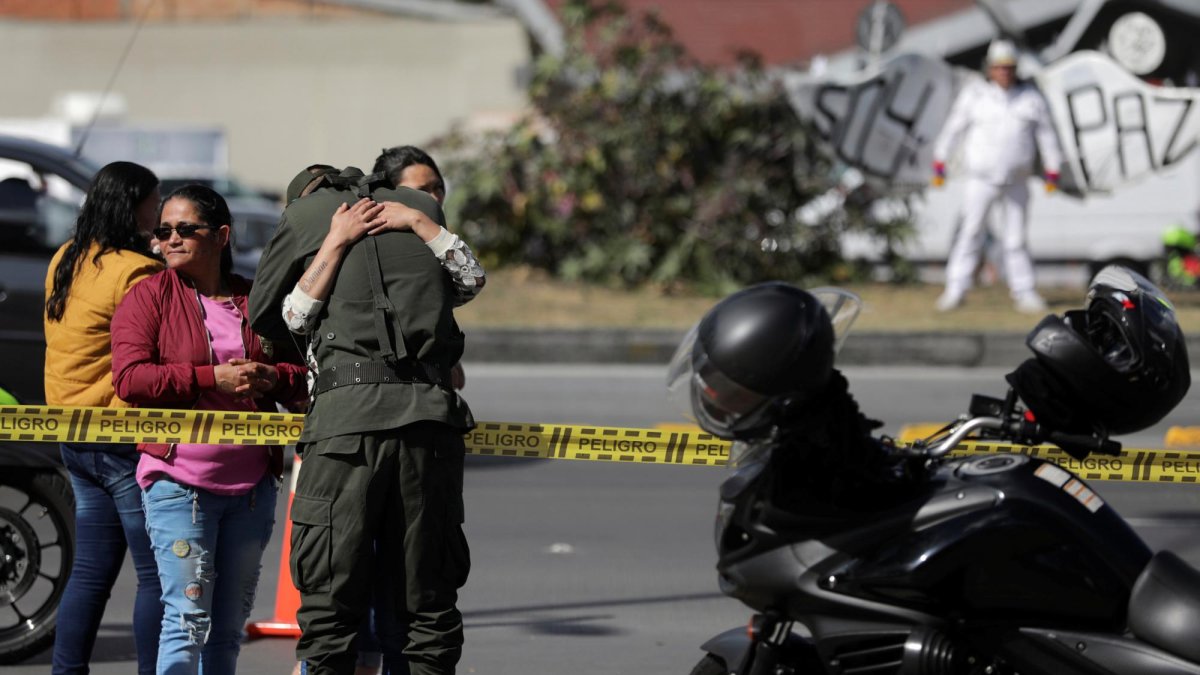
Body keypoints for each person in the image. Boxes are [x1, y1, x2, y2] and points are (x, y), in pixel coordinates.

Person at [249, 147, 484, 675]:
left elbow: (275, 317)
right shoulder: (419, 213)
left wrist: (331, 248)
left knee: (330, 607)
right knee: (430, 601)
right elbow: (469, 282)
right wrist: (422, 221)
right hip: (428, 424)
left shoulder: (305, 220)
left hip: (344, 428)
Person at [110, 184, 308, 674]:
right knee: (186, 619)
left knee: (227, 630)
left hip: (250, 491)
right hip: (179, 485)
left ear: (220, 235)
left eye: (185, 229)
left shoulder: (254, 300)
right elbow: (130, 379)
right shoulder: (147, 297)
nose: (170, 240)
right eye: (162, 231)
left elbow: (302, 375)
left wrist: (271, 377)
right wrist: (210, 378)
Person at [43, 161, 164, 675]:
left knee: (91, 571)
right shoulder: (136, 272)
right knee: (157, 575)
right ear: (133, 205)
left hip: (73, 435)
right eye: (155, 201)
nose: (160, 211)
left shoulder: (65, 258)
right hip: (120, 437)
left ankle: (66, 671)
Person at [931, 38, 1064, 313]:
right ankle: (955, 289)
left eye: (1009, 67)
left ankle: (1024, 291)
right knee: (970, 232)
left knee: (1016, 238)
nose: (1004, 72)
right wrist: (940, 159)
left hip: (1017, 179)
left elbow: (1047, 135)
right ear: (990, 69)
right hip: (980, 178)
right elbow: (954, 128)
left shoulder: (1030, 97)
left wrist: (1053, 168)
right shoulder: (975, 95)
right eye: (999, 67)